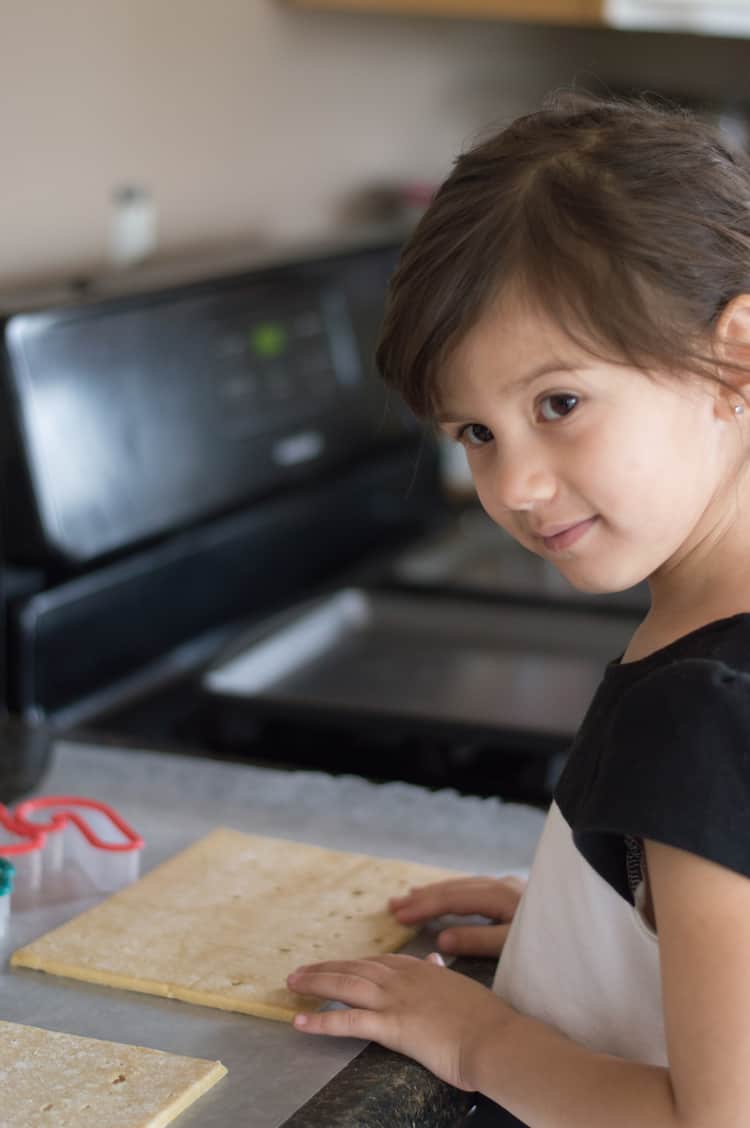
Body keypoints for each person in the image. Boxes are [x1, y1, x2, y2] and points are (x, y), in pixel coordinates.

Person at [287, 93, 750, 1127]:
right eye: (475, 433)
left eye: (559, 404)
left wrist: (480, 1036)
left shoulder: (706, 704)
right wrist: (599, 932)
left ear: (736, 358)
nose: (519, 487)